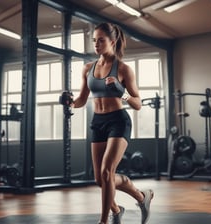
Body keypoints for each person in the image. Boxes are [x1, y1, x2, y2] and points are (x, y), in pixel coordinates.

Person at [71, 22, 154, 224]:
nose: (96, 44)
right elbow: (82, 100)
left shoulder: (124, 69)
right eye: (94, 41)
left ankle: (104, 221)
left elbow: (138, 104)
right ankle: (135, 201)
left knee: (107, 173)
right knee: (101, 179)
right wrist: (70, 103)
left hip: (118, 121)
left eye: (101, 40)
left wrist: (122, 92)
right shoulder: (88, 69)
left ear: (112, 42)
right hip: (97, 122)